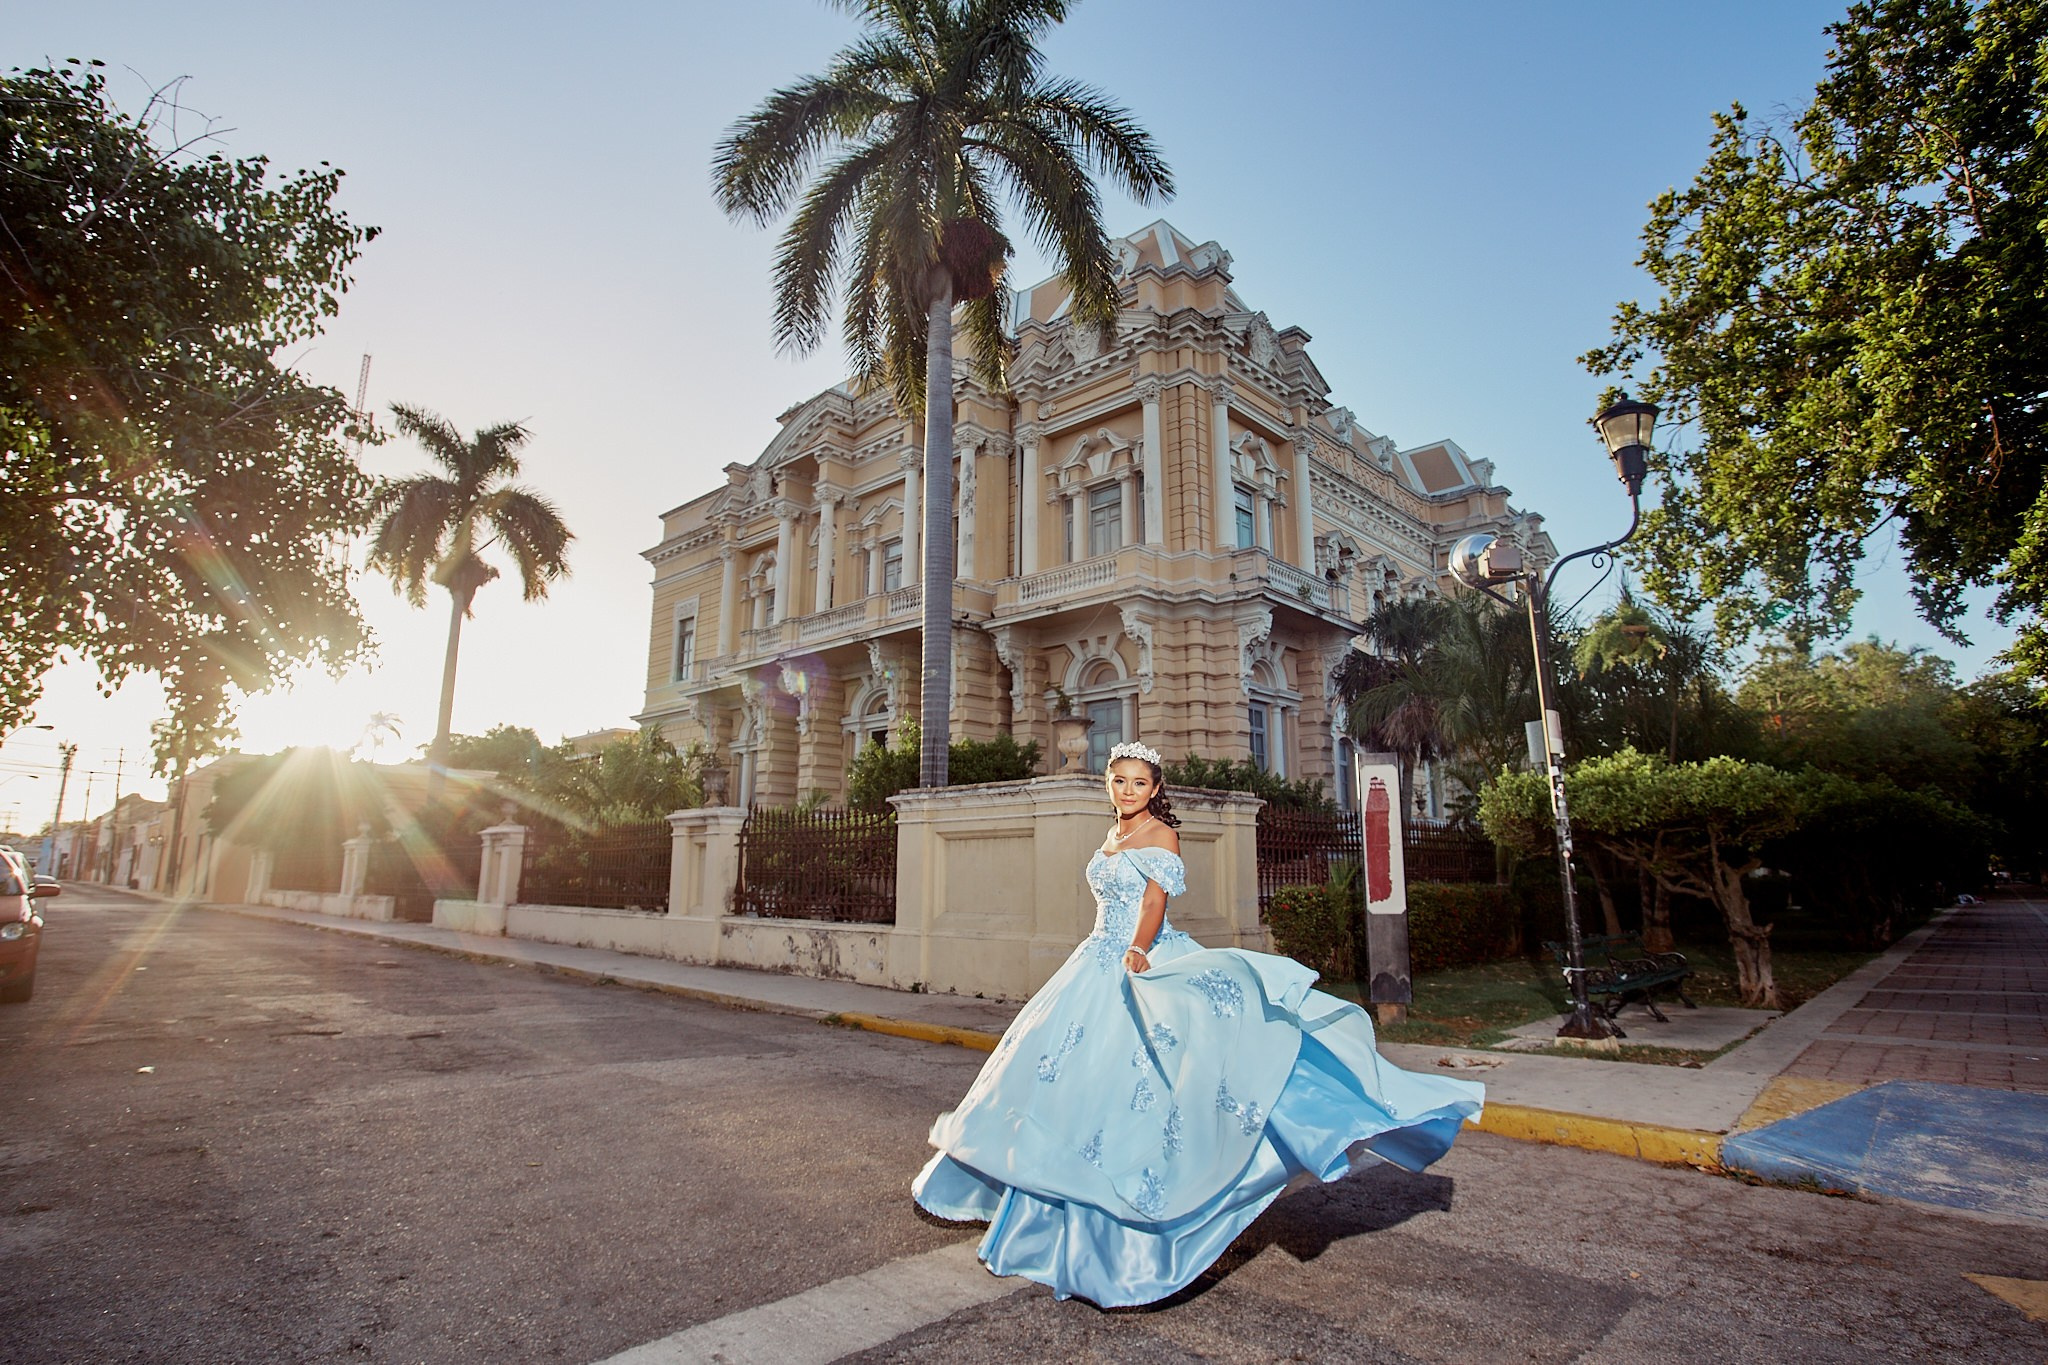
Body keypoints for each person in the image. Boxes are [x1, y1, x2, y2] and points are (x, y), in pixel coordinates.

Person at [912, 740, 1484, 1307]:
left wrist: (1137, 950)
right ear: (1108, 784)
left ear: (1156, 789)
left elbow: (1154, 905)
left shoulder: (1162, 835)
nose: (1128, 790)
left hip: (1139, 956)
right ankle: (1015, 1191)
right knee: (1057, 1074)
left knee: (1167, 1075)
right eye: (1119, 781)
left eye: (1139, 783)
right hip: (1091, 959)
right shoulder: (1113, 834)